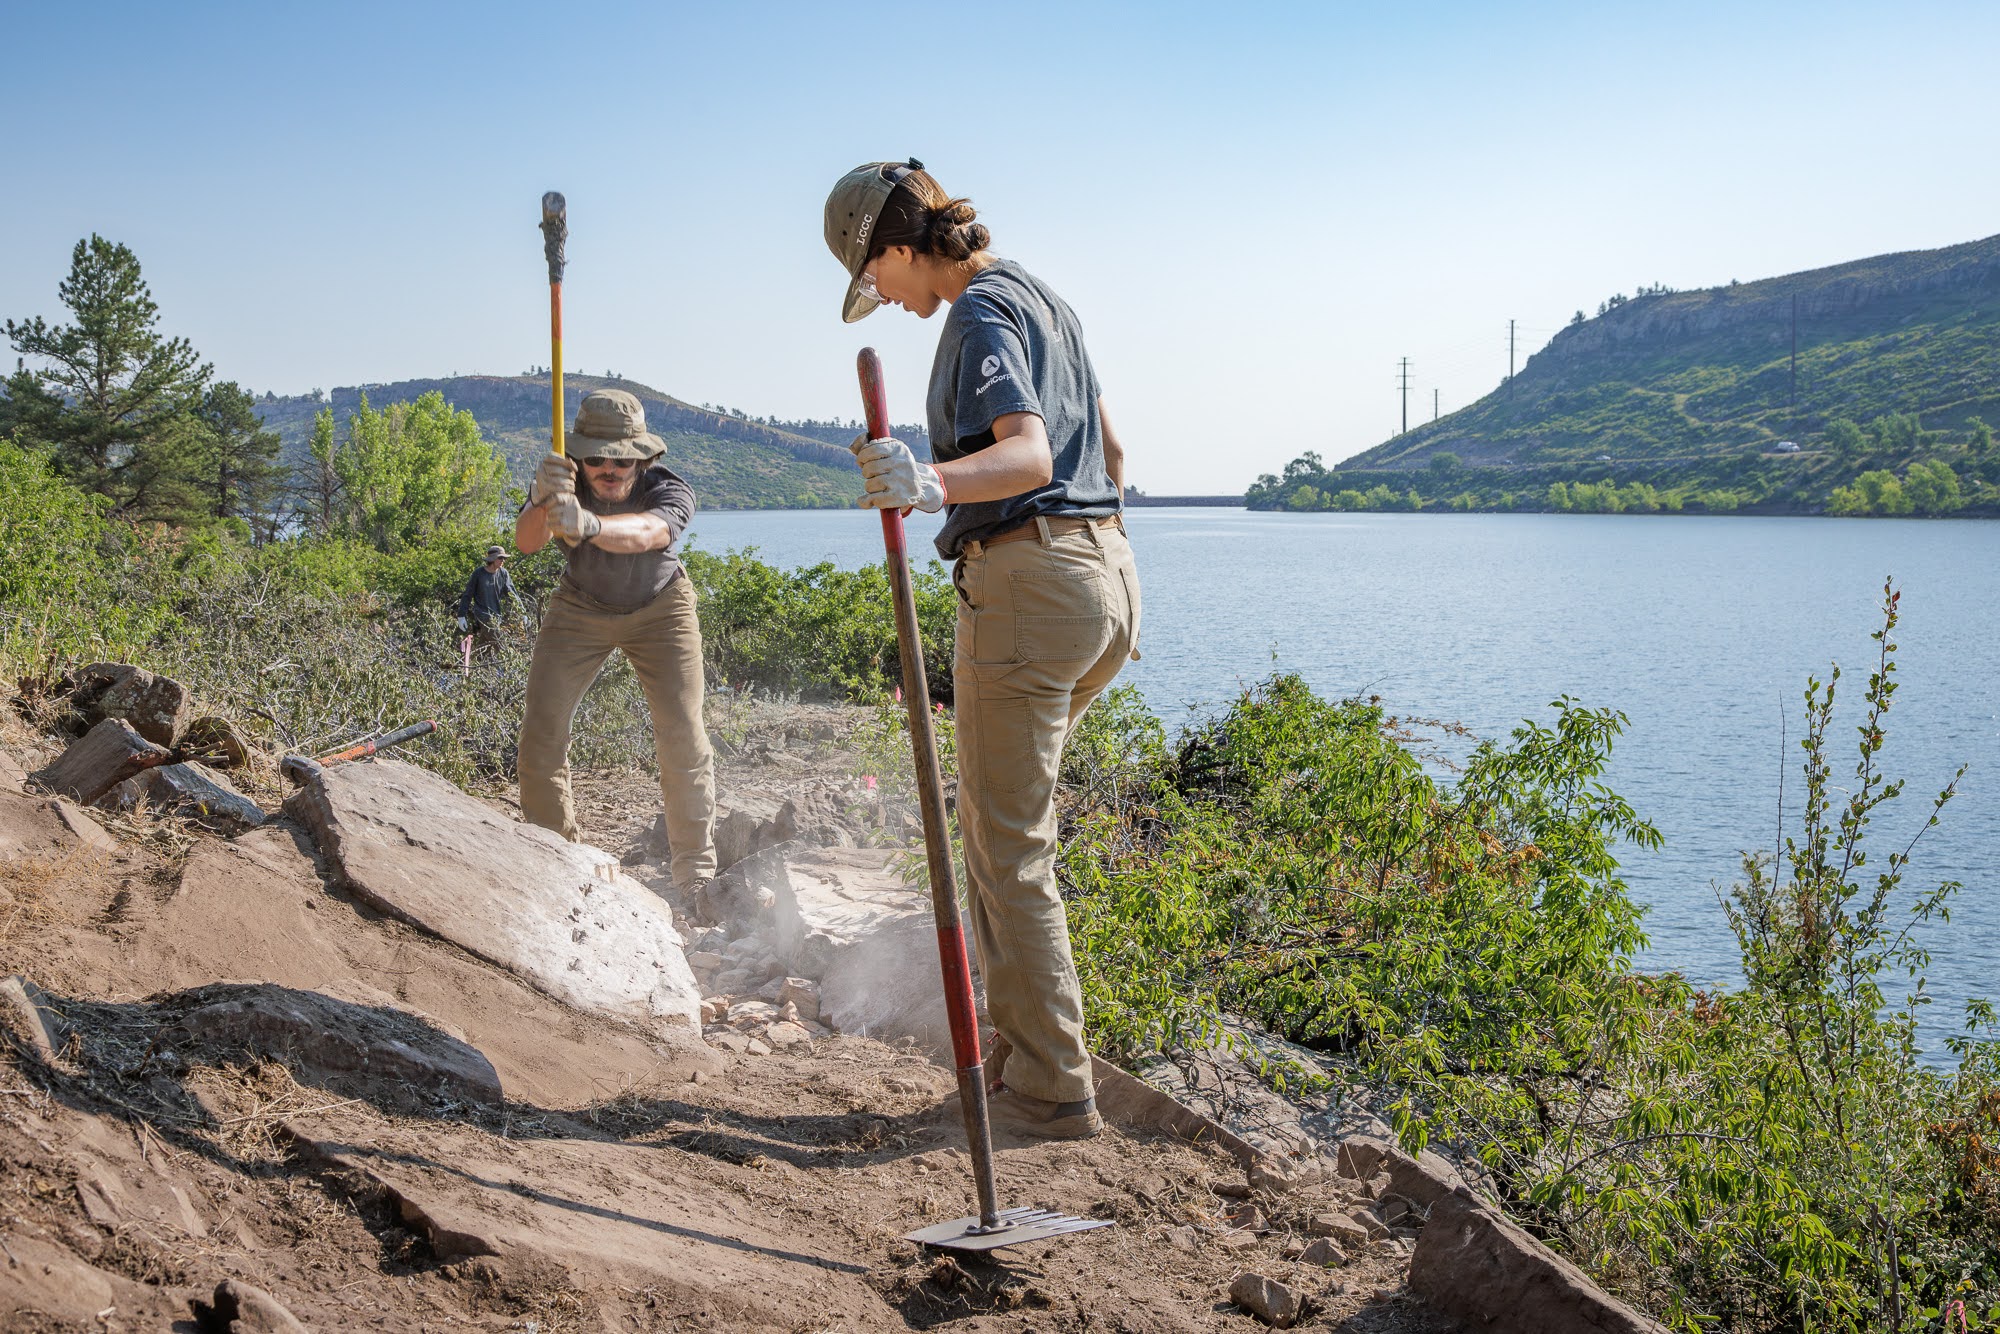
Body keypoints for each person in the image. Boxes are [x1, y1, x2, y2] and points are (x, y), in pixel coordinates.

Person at [822, 160, 1140, 1139]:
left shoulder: (975, 313)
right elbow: (1111, 459)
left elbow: (1030, 456)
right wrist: (1083, 564)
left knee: (1007, 847)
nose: (889, 302)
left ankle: (1047, 1089)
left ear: (900, 247)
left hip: (1029, 582)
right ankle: (1022, 1055)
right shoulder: (1047, 299)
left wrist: (926, 480)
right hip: (1105, 583)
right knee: (1000, 836)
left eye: (879, 280)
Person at [514, 388, 717, 891]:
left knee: (682, 733)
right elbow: (524, 542)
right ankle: (555, 856)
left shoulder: (669, 490)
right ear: (579, 456)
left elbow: (649, 532)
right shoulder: (562, 482)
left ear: (643, 457)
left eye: (622, 459)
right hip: (579, 606)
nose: (609, 468)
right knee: (541, 732)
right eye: (597, 457)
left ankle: (695, 872)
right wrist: (541, 501)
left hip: (661, 608)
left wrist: (589, 524)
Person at [454, 545, 516, 656]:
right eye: (500, 558)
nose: (503, 561)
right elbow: (467, 594)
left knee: (484, 648)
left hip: (496, 616)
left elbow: (512, 594)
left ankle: (474, 667)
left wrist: (522, 612)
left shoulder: (503, 573)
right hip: (482, 615)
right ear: (492, 559)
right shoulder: (478, 574)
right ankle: (505, 667)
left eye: (504, 558)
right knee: (500, 644)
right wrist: (461, 615)